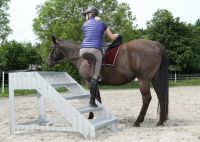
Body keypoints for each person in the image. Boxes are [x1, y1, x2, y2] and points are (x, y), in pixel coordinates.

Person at [80, 6, 118, 107]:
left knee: (91, 61)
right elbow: (111, 37)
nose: (85, 17)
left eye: (86, 15)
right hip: (95, 50)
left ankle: (91, 70)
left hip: (82, 51)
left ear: (90, 14)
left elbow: (89, 36)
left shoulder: (84, 25)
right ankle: (92, 101)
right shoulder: (102, 23)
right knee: (95, 76)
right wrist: (117, 35)